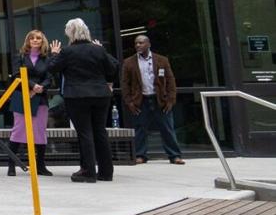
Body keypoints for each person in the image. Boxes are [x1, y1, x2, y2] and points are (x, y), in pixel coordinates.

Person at [47, 19, 120, 183]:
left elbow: (52, 68)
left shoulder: (67, 52)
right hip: (101, 95)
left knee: (85, 133)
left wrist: (54, 54)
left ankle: (88, 171)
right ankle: (106, 172)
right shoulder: (98, 50)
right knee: (100, 131)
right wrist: (103, 52)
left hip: (77, 96)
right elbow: (113, 67)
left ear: (71, 33)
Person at [122, 34, 184, 165]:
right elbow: (125, 84)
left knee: (167, 127)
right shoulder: (129, 62)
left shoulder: (162, 60)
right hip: (141, 100)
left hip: (159, 100)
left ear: (148, 44)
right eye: (136, 43)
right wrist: (129, 102)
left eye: (141, 43)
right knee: (140, 128)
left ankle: (174, 155)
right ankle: (140, 155)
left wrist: (171, 100)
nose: (138, 45)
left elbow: (171, 81)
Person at [10, 30, 53, 177]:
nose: (35, 40)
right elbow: (17, 74)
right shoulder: (20, 56)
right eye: (32, 38)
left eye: (38, 38)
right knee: (19, 129)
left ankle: (40, 165)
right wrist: (32, 86)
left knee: (40, 131)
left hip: (40, 98)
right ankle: (11, 164)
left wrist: (39, 88)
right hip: (22, 96)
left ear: (42, 41)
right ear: (28, 41)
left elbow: (50, 77)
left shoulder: (47, 58)